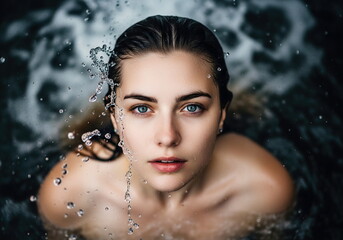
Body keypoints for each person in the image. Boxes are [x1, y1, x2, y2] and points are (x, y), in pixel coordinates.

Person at [38, 15, 294, 240]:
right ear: (115, 117)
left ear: (221, 114)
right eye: (141, 108)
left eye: (192, 107)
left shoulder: (264, 190)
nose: (167, 137)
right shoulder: (69, 196)